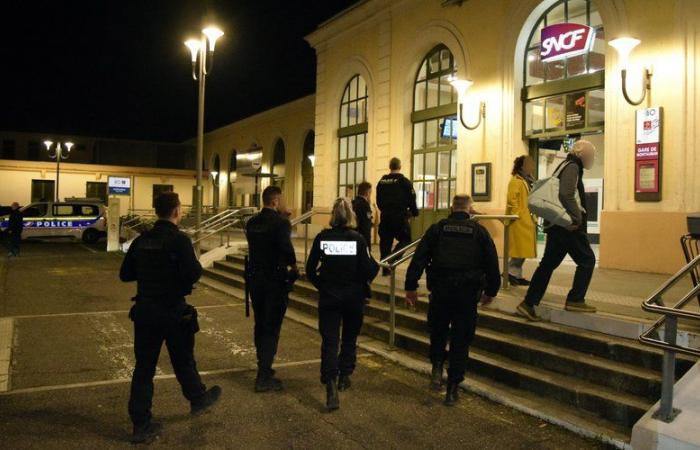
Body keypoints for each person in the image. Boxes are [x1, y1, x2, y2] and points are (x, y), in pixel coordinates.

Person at [120, 192, 221, 444]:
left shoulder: (142, 240)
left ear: (156, 211)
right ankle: (197, 398)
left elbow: (125, 274)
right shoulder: (179, 241)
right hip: (173, 310)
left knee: (144, 367)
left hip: (145, 310)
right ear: (177, 211)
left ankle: (141, 422)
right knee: (183, 359)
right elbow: (192, 274)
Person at [404, 195, 500, 406]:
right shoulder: (479, 232)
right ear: (470, 210)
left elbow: (419, 258)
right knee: (461, 340)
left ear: (451, 208)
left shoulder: (438, 229)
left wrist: (411, 286)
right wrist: (491, 291)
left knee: (438, 332)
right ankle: (453, 388)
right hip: (466, 296)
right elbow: (492, 264)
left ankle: (437, 367)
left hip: (440, 292)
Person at [306, 198, 379, 411]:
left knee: (329, 341)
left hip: (329, 296)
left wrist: (322, 285)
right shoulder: (358, 239)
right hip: (353, 297)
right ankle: (344, 376)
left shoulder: (322, 238)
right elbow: (369, 269)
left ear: (333, 216)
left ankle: (329, 384)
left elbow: (310, 269)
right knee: (349, 338)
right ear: (351, 217)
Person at [517, 140, 598, 322]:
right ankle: (575, 299)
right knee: (587, 260)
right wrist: (576, 218)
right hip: (568, 227)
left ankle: (528, 303)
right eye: (592, 155)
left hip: (557, 226)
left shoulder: (564, 164)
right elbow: (566, 193)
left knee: (547, 265)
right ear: (582, 154)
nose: (593, 158)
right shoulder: (572, 167)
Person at [245, 185, 298, 392]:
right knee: (272, 326)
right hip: (274, 281)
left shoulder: (252, 222)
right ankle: (264, 375)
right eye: (282, 200)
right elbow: (285, 247)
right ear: (275, 201)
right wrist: (294, 267)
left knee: (261, 323)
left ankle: (263, 365)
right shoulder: (280, 222)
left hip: (256, 280)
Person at [376, 157, 419, 275]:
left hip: (385, 216)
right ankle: (392, 258)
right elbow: (412, 199)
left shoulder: (381, 181)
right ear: (400, 167)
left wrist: (385, 210)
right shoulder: (404, 181)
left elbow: (378, 201)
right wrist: (414, 212)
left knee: (385, 242)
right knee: (406, 239)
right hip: (399, 216)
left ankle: (385, 268)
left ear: (390, 167)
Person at [506, 156, 537, 286]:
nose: (531, 167)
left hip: (527, 220)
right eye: (528, 164)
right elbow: (512, 201)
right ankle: (510, 273)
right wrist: (517, 215)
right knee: (519, 250)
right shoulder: (516, 181)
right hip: (519, 221)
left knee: (522, 251)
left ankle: (515, 274)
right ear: (521, 166)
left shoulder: (528, 180)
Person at [352, 181, 373, 247]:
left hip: (353, 235)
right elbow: (366, 224)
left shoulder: (352, 202)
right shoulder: (365, 205)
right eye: (370, 192)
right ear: (367, 192)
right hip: (362, 238)